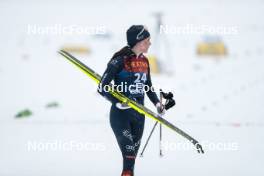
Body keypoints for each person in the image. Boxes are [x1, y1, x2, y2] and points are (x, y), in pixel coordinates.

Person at [98, 25, 165, 176]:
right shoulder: (119, 61)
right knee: (128, 159)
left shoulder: (145, 62)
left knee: (131, 163)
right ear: (139, 41)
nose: (150, 43)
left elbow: (148, 87)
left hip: (139, 116)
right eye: (148, 40)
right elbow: (102, 87)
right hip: (120, 116)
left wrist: (158, 104)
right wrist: (117, 102)